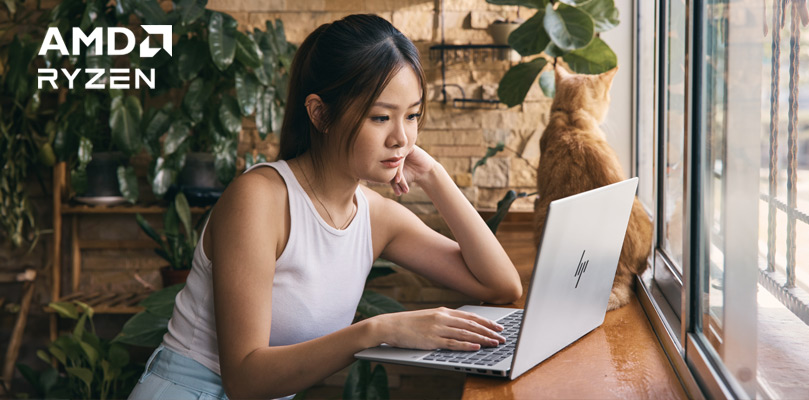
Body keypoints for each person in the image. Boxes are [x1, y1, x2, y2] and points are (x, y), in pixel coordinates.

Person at [129, 14, 522, 400]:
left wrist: (434, 175)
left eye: (413, 116)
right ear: (320, 113)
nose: (400, 138)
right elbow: (245, 380)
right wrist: (378, 330)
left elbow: (501, 286)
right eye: (380, 117)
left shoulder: (375, 215)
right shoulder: (259, 199)